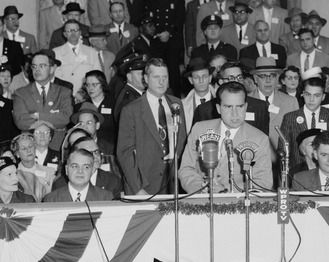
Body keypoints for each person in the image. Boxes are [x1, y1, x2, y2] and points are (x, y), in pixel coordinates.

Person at [180, 81, 273, 193]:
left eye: (239, 106)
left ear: (246, 107)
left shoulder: (260, 139)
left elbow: (263, 182)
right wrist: (202, 188)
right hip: (202, 201)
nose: (235, 113)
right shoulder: (199, 129)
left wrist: (225, 192)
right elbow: (186, 169)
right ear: (218, 108)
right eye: (228, 107)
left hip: (239, 206)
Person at [117, 59, 187, 196]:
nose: (161, 82)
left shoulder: (176, 104)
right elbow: (125, 153)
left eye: (164, 77)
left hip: (175, 181)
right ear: (146, 79)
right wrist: (137, 188)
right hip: (145, 184)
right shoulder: (131, 110)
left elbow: (182, 141)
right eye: (156, 77)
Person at [12, 50, 76, 151]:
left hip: (57, 146)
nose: (37, 70)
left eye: (41, 66)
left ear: (51, 69)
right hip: (29, 147)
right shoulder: (20, 93)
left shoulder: (64, 92)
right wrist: (53, 116)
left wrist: (37, 116)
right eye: (34, 66)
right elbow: (21, 121)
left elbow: (65, 118)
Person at [280, 77, 329, 171]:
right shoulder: (290, 118)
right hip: (298, 173)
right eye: (308, 94)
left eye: (316, 95)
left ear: (323, 97)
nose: (311, 99)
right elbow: (283, 151)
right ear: (302, 94)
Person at [144, 0, 188, 94]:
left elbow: (180, 17)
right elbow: (147, 18)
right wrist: (155, 33)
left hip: (172, 40)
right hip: (156, 41)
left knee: (173, 71)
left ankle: (175, 99)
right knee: (156, 70)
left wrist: (169, 32)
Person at [52, 18, 101, 101]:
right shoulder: (56, 52)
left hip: (87, 96)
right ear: (64, 34)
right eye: (69, 30)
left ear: (80, 33)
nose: (73, 33)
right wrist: (74, 94)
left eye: (76, 30)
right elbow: (56, 78)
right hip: (64, 97)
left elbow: (97, 76)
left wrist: (83, 93)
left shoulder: (91, 52)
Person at [43, 148, 114, 203]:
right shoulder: (51, 200)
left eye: (86, 167)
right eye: (75, 166)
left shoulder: (106, 198)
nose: (80, 171)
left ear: (92, 171)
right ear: (67, 169)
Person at [11, 133, 54, 201]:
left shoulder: (49, 171)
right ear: (17, 154)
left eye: (30, 146)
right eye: (24, 148)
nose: (28, 150)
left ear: (35, 148)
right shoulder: (13, 173)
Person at [181, 58, 215, 129]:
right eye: (196, 77)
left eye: (204, 76)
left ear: (210, 78)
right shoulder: (182, 105)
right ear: (191, 80)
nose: (201, 81)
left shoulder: (221, 100)